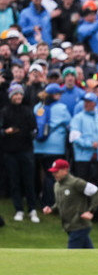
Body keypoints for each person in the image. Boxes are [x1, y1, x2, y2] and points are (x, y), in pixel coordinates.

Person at [42, 159, 98, 249]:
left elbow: (97, 192)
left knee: (71, 253)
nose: (54, 174)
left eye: (56, 172)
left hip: (79, 225)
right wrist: (51, 209)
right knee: (88, 252)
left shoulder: (76, 183)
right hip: (69, 226)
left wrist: (91, 211)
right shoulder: (57, 185)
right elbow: (60, 203)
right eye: (53, 172)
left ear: (65, 170)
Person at [0, 85, 39, 223]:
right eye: (15, 95)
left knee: (29, 181)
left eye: (20, 95)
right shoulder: (4, 112)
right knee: (14, 182)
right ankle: (19, 210)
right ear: (11, 96)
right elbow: (1, 130)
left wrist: (33, 134)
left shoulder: (28, 111)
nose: (18, 97)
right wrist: (6, 132)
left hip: (26, 151)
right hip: (10, 152)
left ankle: (32, 210)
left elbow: (35, 128)